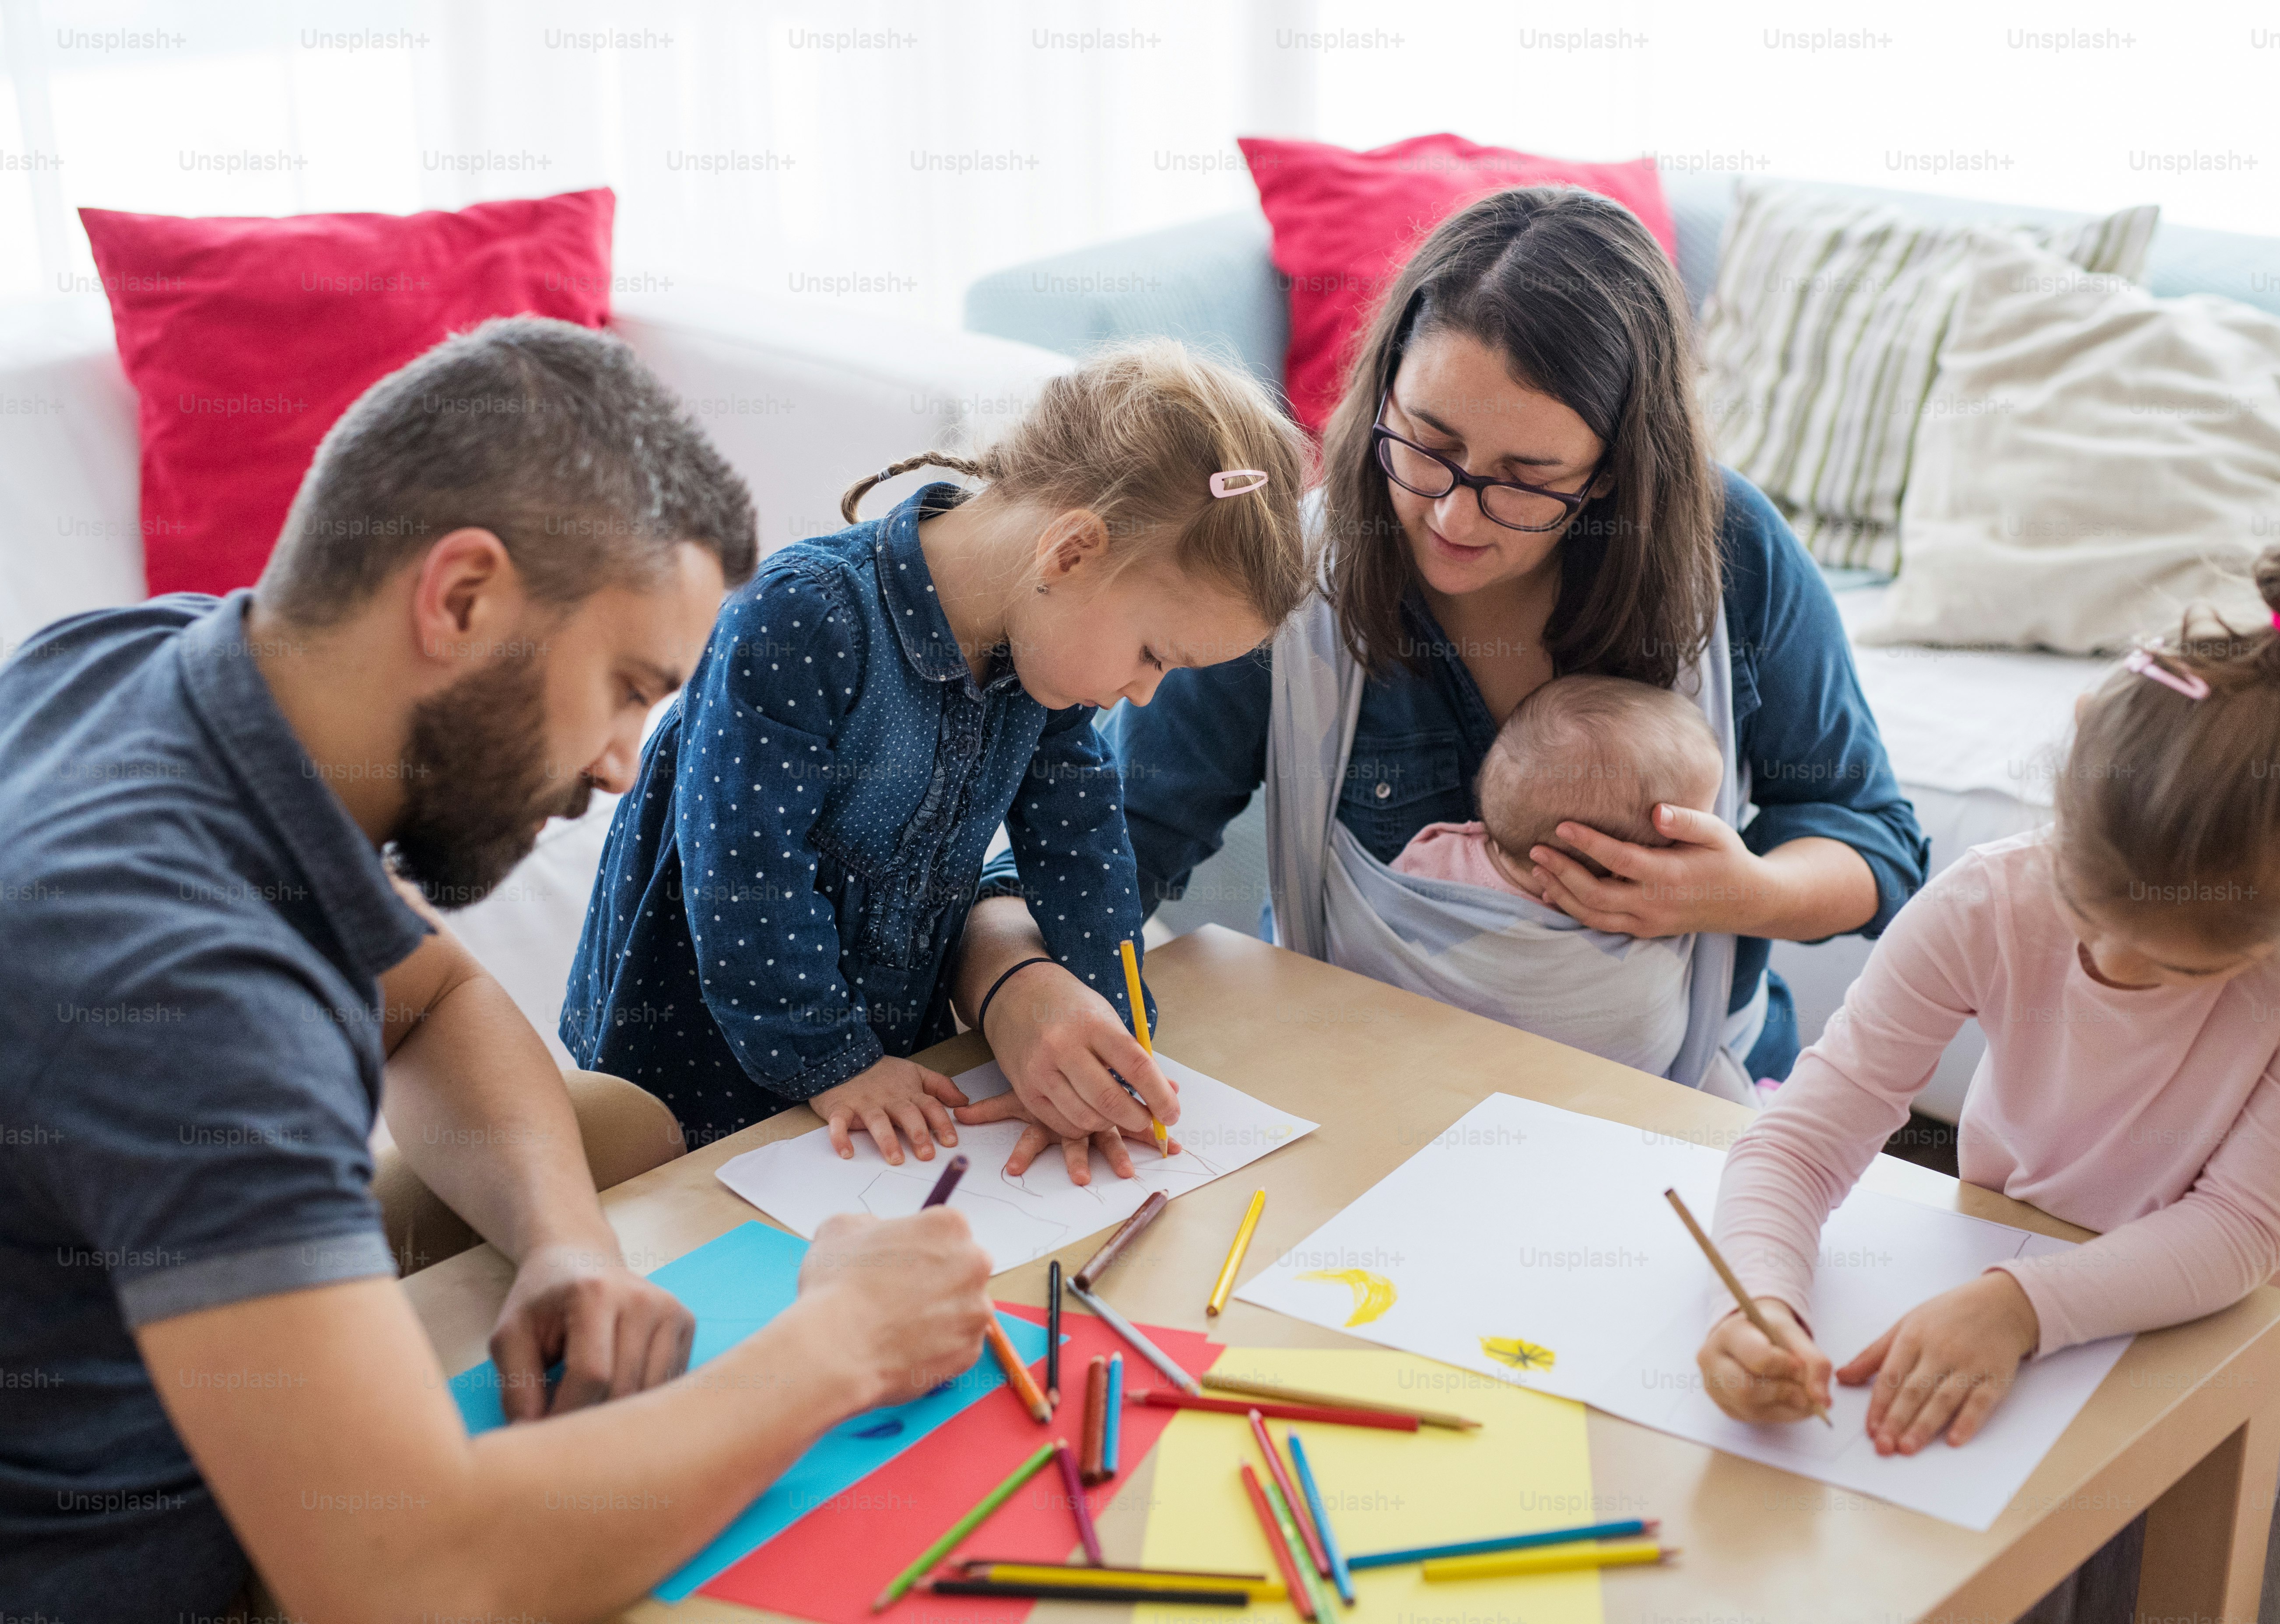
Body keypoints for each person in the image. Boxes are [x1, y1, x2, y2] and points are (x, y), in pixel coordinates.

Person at [0, 316, 995, 1620]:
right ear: (461, 598)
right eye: (627, 687)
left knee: (621, 1131)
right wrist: (839, 1346)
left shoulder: (147, 667)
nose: (625, 763)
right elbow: (408, 1580)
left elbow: (438, 997)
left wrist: (565, 1247)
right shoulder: (187, 983)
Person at [958, 186, 1927, 1107]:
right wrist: (1014, 985)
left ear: (1616, 472)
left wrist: (1741, 890)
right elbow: (1102, 849)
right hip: (1358, 1085)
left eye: (1526, 478)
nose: (1453, 514)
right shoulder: (1294, 579)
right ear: (1382, 390)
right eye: (1425, 441)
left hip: (1670, 1099)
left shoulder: (1731, 553)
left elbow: (1876, 843)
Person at [1696, 530, 2280, 1623]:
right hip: (2024, 1368)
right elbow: (1803, 1137)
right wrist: (1760, 1295)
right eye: (2092, 917)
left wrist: (2015, 1307)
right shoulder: (1988, 899)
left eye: (2187, 966)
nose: (2122, 968)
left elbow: (2240, 1230)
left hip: (2249, 1375)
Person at [564, 340, 1312, 1181]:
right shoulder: (801, 620)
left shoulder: (1043, 665)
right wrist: (836, 1062)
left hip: (878, 1070)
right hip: (693, 1073)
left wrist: (1114, 1038)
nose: (1144, 694)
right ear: (1068, 553)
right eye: (1151, 653)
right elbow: (747, 883)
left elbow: (1082, 849)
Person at [1368, 673, 1725, 1075]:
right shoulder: (1642, 914)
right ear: (1627, 864)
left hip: (1428, 1073)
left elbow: (1382, 941)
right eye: (1694, 828)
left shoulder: (1432, 857)